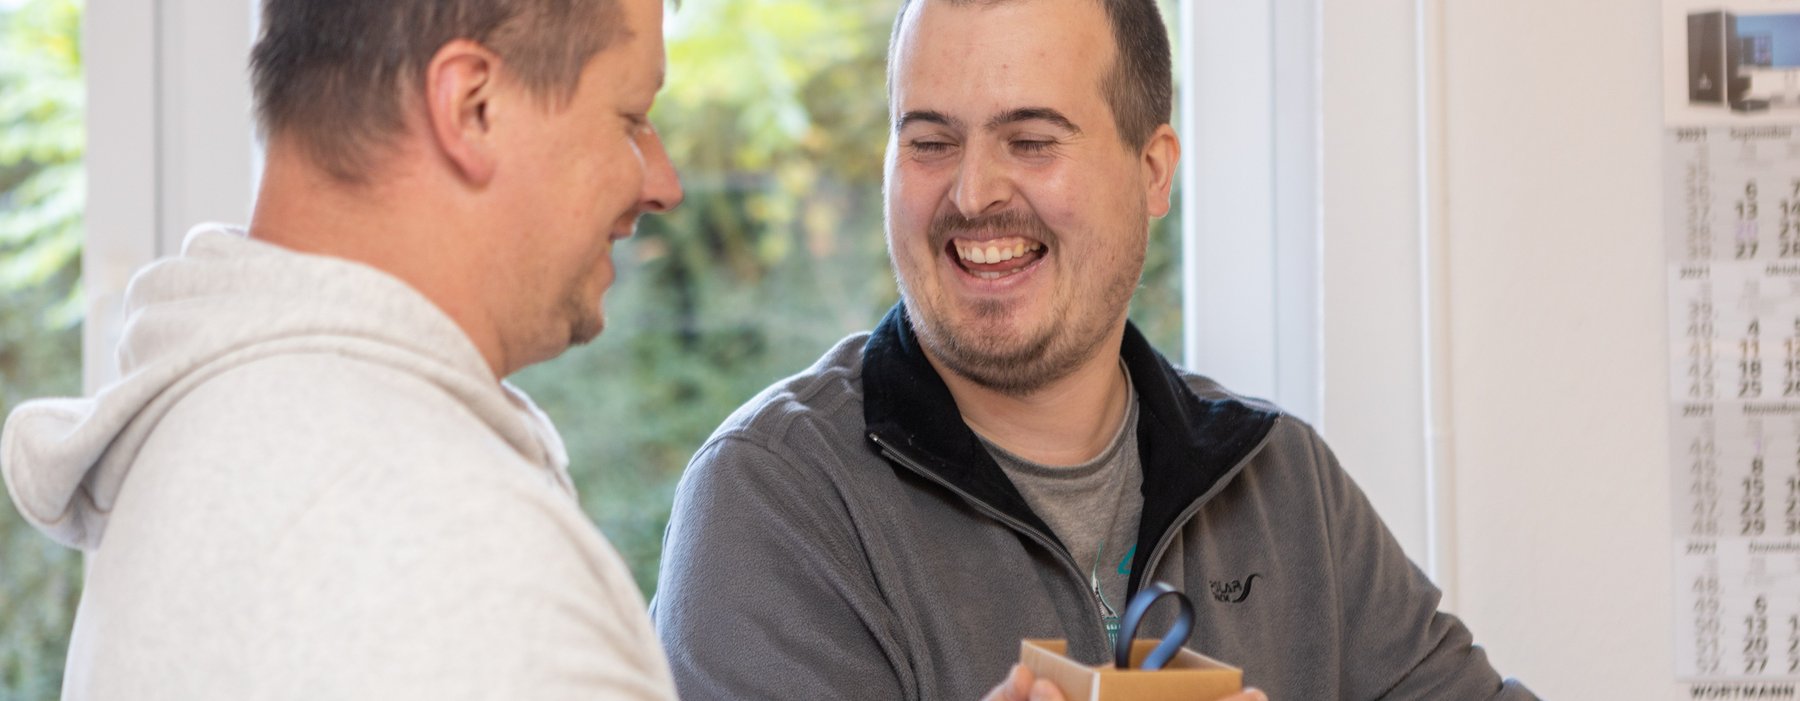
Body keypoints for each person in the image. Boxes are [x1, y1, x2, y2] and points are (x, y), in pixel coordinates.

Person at [650, 0, 1537, 699]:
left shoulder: (1286, 484)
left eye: (1032, 141)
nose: (973, 192)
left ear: (1153, 170)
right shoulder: (773, 499)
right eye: (930, 142)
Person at [0, 0, 682, 698]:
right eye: (630, 118)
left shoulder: (201, 443)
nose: (665, 184)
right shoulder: (456, 563)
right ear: (474, 106)